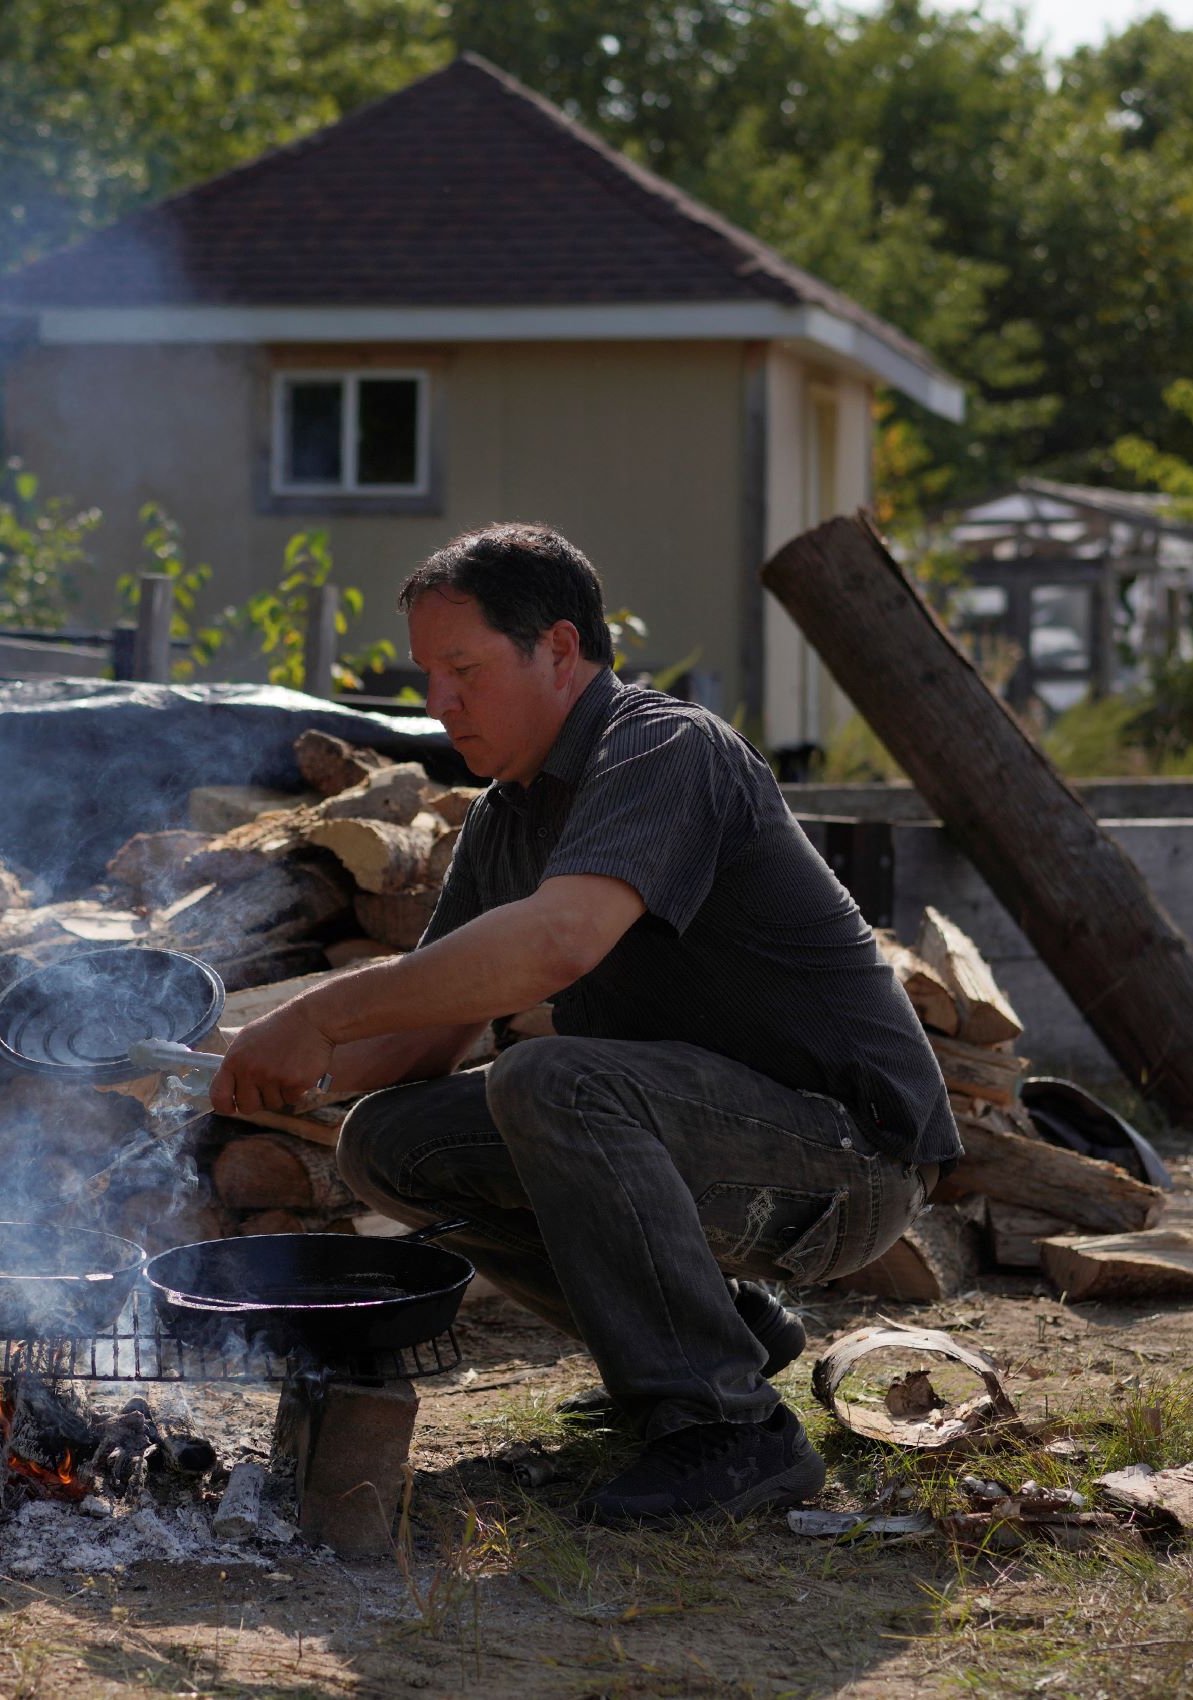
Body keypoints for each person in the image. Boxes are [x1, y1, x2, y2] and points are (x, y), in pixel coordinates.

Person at [209, 523, 959, 1524]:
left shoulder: (661, 746)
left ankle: (729, 1430)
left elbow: (558, 940)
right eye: (428, 674)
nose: (439, 703)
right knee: (389, 1139)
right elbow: (433, 1034)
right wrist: (258, 1071)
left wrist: (319, 1009)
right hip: (725, 1140)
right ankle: (725, 1331)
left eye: (464, 668)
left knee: (551, 1082)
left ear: (559, 647)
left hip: (848, 1156)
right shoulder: (504, 819)